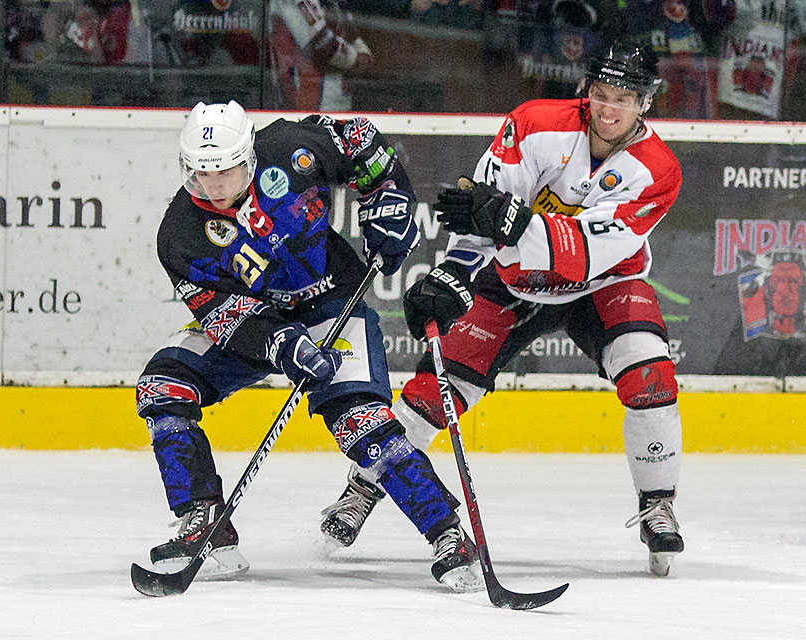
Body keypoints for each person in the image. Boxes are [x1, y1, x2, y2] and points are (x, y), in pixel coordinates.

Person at [320, 39, 687, 576]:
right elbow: (480, 216)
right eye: (602, 94)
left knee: (650, 374)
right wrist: (451, 274)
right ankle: (362, 489)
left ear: (645, 103)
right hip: (512, 281)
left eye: (624, 99)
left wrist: (513, 222)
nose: (609, 109)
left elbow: (590, 251)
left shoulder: (658, 170)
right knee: (431, 394)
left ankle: (657, 503)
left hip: (602, 284)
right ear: (587, 89)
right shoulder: (535, 124)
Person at [135, 100, 485, 592]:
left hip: (331, 305)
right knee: (161, 388)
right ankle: (207, 525)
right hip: (258, 323)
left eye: (227, 172)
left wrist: (390, 199)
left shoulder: (290, 145)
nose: (214, 188)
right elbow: (220, 313)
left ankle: (449, 535)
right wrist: (278, 341)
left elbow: (364, 142)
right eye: (200, 174)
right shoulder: (179, 235)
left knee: (364, 426)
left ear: (251, 156)